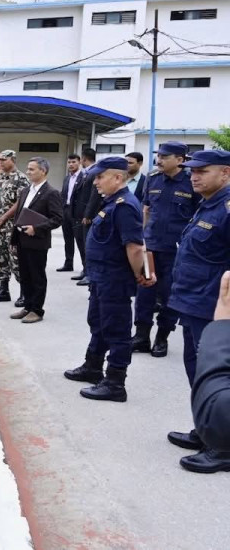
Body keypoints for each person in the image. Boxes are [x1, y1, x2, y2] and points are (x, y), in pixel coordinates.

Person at [63, 157, 154, 402]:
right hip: (101, 278)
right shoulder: (111, 203)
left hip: (115, 279)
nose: (96, 183)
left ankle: (115, 382)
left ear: (117, 177)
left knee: (117, 330)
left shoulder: (124, 205)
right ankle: (93, 366)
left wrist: (138, 275)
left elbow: (135, 247)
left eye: (100, 177)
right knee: (99, 324)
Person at [165, 149, 230, 464]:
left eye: (203, 171)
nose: (194, 175)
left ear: (226, 173)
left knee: (219, 376)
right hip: (193, 303)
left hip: (213, 309)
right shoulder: (208, 204)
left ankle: (224, 447)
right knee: (199, 372)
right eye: (192, 170)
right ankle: (208, 431)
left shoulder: (228, 209)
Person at [132, 142, 200, 357]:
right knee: (144, 293)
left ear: (180, 160)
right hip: (150, 249)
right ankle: (141, 336)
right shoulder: (153, 178)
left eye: (165, 156)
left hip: (175, 251)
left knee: (169, 295)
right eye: (158, 156)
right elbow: (147, 210)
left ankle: (162, 337)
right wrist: (142, 238)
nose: (159, 160)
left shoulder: (191, 182)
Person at [10, 157, 64, 323]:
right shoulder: (26, 190)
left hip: (37, 241)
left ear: (43, 171)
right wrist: (14, 240)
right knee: (25, 275)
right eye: (28, 168)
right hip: (21, 239)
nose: (28, 172)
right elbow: (19, 215)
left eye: (32, 169)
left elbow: (57, 219)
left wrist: (36, 228)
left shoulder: (51, 193)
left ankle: (37, 310)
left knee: (37, 276)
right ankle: (27, 306)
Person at [186, 272, 230, 473]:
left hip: (210, 290)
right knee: (194, 358)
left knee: (213, 362)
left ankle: (221, 445)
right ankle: (205, 430)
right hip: (195, 291)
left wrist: (222, 329)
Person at [0, 150, 30, 305]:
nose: (0, 163)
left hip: (12, 226)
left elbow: (20, 202)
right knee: (0, 258)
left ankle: (24, 292)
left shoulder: (21, 179)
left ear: (12, 159)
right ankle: (3, 290)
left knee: (16, 258)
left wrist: (4, 217)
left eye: (3, 160)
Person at [70, 148, 102, 287]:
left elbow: (93, 196)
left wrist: (88, 214)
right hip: (80, 214)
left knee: (87, 245)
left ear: (83, 159)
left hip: (87, 216)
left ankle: (90, 274)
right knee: (82, 243)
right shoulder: (88, 172)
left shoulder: (94, 172)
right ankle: (85, 269)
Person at [57, 154, 82, 272]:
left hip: (77, 212)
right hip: (66, 210)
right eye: (69, 162)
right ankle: (68, 263)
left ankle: (85, 268)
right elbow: (63, 194)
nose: (71, 164)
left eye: (73, 162)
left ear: (79, 162)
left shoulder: (84, 177)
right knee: (68, 239)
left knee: (80, 240)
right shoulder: (66, 178)